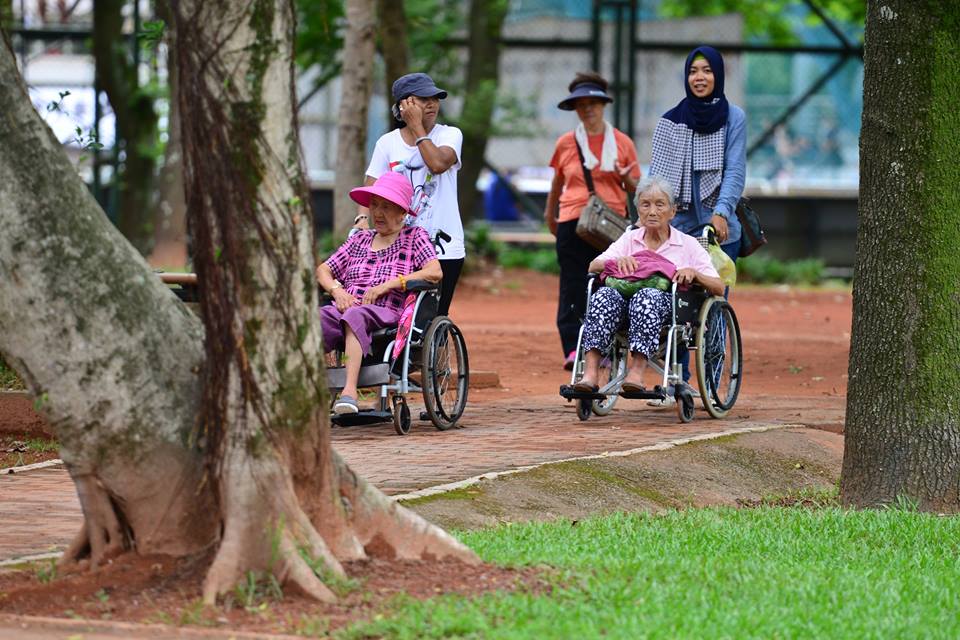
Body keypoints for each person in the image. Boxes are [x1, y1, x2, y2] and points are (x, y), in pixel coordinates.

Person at [573, 176, 723, 394]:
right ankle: (590, 373)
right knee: (603, 296)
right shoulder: (629, 239)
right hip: (622, 311)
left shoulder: (688, 244)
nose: (652, 211)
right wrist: (615, 261)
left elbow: (718, 287)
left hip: (666, 312)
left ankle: (637, 371)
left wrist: (695, 273)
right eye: (646, 204)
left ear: (672, 211)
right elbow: (593, 266)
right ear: (639, 211)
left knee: (647, 297)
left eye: (659, 204)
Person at [316, 173, 442, 414]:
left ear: (402, 212)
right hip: (346, 306)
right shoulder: (359, 240)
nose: (378, 212)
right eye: (374, 205)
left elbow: (435, 272)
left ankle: (349, 393)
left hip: (387, 311)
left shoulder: (414, 237)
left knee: (355, 315)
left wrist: (390, 284)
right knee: (316, 319)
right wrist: (337, 290)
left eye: (386, 206)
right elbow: (323, 269)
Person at [544, 71, 641, 371]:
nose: (587, 109)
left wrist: (626, 179)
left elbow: (636, 191)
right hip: (573, 221)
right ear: (575, 109)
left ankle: (606, 346)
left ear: (603, 105)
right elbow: (558, 184)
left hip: (611, 226)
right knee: (572, 285)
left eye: (593, 103)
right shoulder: (565, 143)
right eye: (581, 104)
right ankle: (574, 348)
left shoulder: (623, 143)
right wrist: (551, 216)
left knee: (608, 286)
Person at [362, 72, 464, 317]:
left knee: (433, 316)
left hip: (443, 246)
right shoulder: (387, 143)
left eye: (435, 98)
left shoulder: (450, 135)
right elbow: (370, 191)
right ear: (403, 106)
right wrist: (362, 223)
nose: (431, 104)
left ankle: (432, 354)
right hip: (397, 245)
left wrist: (417, 127)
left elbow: (437, 164)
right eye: (422, 98)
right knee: (393, 315)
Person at [649, 45, 746, 262]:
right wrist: (647, 216)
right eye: (693, 71)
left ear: (719, 75)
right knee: (674, 295)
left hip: (718, 230)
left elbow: (735, 171)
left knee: (714, 295)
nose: (699, 77)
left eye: (707, 71)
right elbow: (656, 177)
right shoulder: (670, 121)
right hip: (676, 231)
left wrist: (721, 213)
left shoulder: (733, 117)